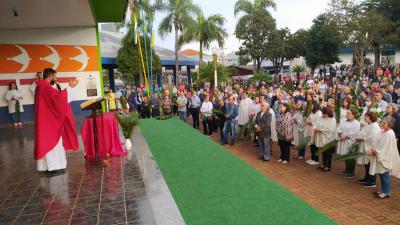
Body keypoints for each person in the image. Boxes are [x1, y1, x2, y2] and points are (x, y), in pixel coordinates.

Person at [34, 68, 79, 174]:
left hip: (45, 118)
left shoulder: (40, 86)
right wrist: (70, 87)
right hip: (50, 121)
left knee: (47, 141)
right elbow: (58, 98)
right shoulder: (45, 87)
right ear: (50, 76)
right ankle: (54, 166)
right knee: (52, 141)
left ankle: (46, 167)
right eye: (55, 76)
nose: (56, 78)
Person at [368, 117, 400, 199]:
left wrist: (376, 151)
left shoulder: (390, 133)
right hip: (380, 155)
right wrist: (373, 148)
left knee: (384, 174)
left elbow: (385, 147)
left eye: (384, 123)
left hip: (385, 156)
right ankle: (383, 190)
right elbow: (376, 140)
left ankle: (386, 192)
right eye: (382, 122)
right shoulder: (382, 131)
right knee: (381, 174)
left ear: (389, 125)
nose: (382, 124)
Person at [356, 112, 380, 187]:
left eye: (366, 116)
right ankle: (367, 178)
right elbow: (363, 132)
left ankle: (372, 181)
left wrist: (362, 138)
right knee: (367, 164)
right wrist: (359, 137)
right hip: (366, 145)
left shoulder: (375, 126)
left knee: (371, 164)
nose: (365, 118)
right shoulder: (369, 125)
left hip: (371, 147)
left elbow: (373, 137)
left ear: (371, 117)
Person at [337, 109, 360, 178]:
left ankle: (351, 172)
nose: (346, 114)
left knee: (350, 157)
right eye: (347, 113)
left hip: (350, 142)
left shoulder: (356, 123)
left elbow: (355, 133)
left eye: (348, 113)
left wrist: (346, 136)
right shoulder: (344, 121)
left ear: (353, 115)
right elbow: (338, 128)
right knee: (345, 156)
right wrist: (340, 134)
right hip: (343, 140)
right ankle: (347, 169)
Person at [314, 107, 337, 172]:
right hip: (321, 137)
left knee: (328, 153)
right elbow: (317, 124)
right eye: (323, 113)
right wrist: (316, 128)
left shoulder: (332, 120)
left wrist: (320, 130)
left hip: (328, 138)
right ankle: (324, 164)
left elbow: (331, 130)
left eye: (325, 114)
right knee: (323, 151)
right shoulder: (321, 118)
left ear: (328, 113)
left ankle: (328, 166)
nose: (323, 115)